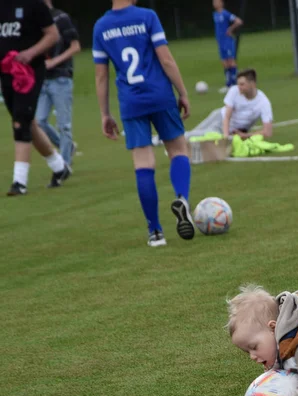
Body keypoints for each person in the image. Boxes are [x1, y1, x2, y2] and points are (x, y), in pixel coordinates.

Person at [93, 0, 195, 247]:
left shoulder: (101, 26)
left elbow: (101, 75)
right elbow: (166, 59)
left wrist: (105, 113)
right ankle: (182, 198)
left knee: (143, 164)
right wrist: (182, 92)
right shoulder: (147, 16)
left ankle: (156, 232)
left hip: (131, 102)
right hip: (160, 96)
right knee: (178, 150)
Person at [0, 0, 72, 196]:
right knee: (26, 121)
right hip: (7, 72)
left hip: (29, 71)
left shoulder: (34, 4)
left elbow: (53, 35)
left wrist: (30, 53)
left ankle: (19, 182)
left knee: (21, 121)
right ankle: (59, 167)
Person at [35, 0, 81, 167]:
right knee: (39, 122)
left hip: (61, 77)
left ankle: (65, 165)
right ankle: (67, 148)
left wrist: (54, 62)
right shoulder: (33, 20)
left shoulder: (61, 18)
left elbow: (75, 47)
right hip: (42, 79)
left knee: (64, 126)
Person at [186, 69, 273, 141]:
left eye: (242, 84)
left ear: (252, 84)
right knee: (192, 136)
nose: (239, 87)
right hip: (219, 117)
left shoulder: (263, 102)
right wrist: (226, 137)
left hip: (227, 129)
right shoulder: (234, 91)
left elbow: (267, 132)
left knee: (192, 138)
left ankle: (178, 138)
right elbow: (227, 117)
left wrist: (245, 135)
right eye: (238, 84)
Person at [212, 0, 243, 93]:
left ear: (221, 3)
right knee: (224, 63)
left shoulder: (225, 13)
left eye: (216, 2)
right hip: (221, 42)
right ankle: (228, 83)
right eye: (213, 2)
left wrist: (230, 29)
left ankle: (234, 83)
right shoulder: (215, 14)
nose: (215, 4)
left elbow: (239, 21)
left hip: (227, 41)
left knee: (231, 61)